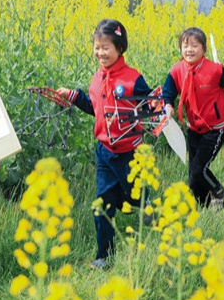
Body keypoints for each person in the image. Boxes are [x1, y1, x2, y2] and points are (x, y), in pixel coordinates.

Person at [56, 19, 152, 269]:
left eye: (105, 47)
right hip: (105, 153)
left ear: (120, 48)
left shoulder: (133, 80)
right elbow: (95, 107)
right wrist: (73, 96)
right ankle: (104, 257)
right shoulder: (96, 79)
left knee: (134, 200)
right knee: (103, 204)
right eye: (97, 47)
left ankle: (147, 206)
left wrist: (162, 109)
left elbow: (150, 107)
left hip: (131, 153)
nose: (100, 52)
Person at [161, 27, 224, 209]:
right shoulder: (176, 71)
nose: (189, 50)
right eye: (185, 46)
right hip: (193, 129)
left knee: (199, 170)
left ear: (204, 49)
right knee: (193, 180)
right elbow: (167, 92)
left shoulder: (214, 70)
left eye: (194, 46)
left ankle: (219, 191)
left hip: (215, 130)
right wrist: (167, 106)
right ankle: (208, 209)